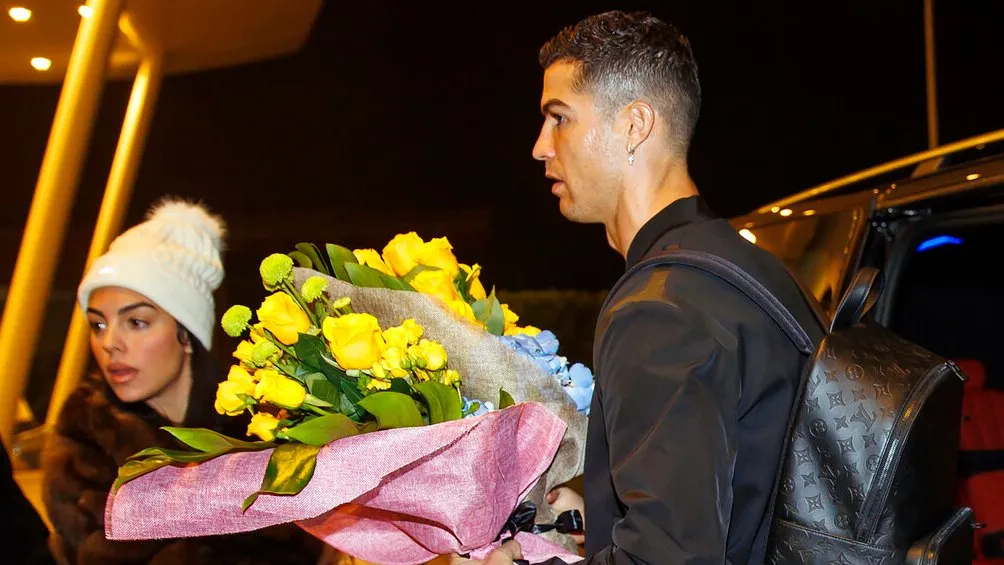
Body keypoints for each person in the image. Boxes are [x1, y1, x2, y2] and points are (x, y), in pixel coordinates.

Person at [456, 10, 823, 565]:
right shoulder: (752, 270)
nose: (540, 146)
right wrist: (603, 518)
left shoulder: (659, 309)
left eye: (559, 118)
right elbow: (739, 491)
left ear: (634, 125)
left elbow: (669, 558)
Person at [41, 198, 322, 565]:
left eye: (136, 322)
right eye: (98, 324)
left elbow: (303, 541)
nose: (110, 343)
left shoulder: (261, 424)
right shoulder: (85, 435)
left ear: (186, 334)